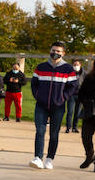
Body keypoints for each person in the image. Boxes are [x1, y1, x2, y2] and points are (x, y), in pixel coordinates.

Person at [29, 42, 79, 170]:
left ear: (63, 53)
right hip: (41, 105)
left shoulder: (68, 69)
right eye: (53, 50)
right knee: (40, 131)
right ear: (50, 51)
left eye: (58, 51)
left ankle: (50, 159)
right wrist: (38, 96)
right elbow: (34, 84)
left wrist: (63, 98)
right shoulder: (41, 67)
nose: (55, 53)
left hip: (58, 105)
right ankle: (38, 158)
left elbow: (73, 86)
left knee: (54, 133)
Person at [64, 59, 86, 132]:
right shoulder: (69, 73)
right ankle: (68, 127)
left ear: (80, 65)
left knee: (77, 112)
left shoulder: (84, 73)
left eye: (77, 65)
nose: (76, 66)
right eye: (74, 65)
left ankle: (74, 127)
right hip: (71, 95)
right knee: (70, 111)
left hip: (80, 95)